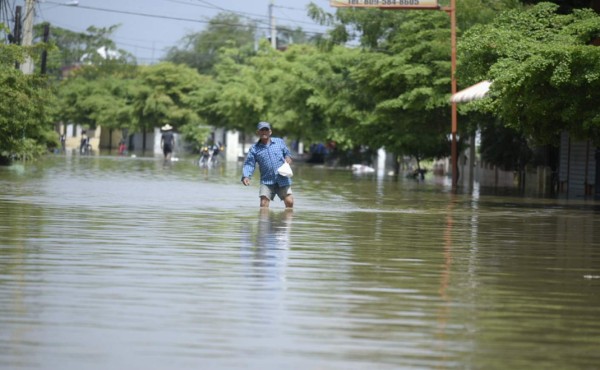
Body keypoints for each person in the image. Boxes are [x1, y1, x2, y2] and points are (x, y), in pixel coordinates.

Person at [241, 121, 294, 208]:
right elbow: (249, 164)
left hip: (282, 178)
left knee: (289, 201)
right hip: (267, 181)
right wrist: (246, 176)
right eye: (262, 130)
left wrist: (288, 157)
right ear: (258, 132)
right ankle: (264, 221)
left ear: (270, 132)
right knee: (263, 204)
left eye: (266, 130)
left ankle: (286, 220)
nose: (264, 132)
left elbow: (287, 153)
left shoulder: (279, 142)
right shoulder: (254, 149)